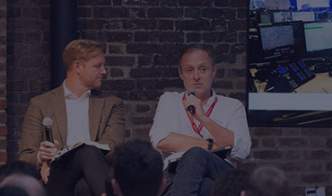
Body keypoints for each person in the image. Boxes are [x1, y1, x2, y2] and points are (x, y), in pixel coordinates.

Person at [18, 39, 126, 196]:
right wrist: (42, 157)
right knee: (86, 153)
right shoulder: (40, 104)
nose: (104, 71)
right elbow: (25, 158)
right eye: (97, 66)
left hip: (94, 178)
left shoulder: (111, 104)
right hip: (58, 178)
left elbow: (114, 148)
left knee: (87, 158)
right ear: (78, 67)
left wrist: (73, 149)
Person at [149, 45, 251, 196]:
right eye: (189, 70)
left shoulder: (232, 106)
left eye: (203, 69)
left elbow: (241, 150)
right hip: (177, 174)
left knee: (196, 154)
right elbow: (161, 140)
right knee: (204, 187)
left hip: (221, 173)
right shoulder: (169, 100)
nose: (196, 76)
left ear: (213, 71)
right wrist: (213, 145)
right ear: (181, 74)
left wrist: (202, 117)